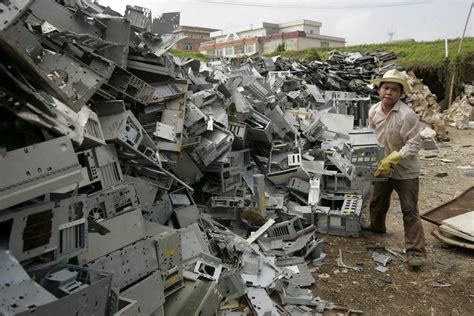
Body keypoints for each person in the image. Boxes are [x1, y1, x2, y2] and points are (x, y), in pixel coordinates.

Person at [368, 69, 426, 269]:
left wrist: (396, 156)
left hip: (405, 170)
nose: (389, 93)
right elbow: (371, 136)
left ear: (400, 93)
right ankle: (377, 229)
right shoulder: (374, 111)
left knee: (409, 210)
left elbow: (415, 144)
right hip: (382, 167)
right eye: (385, 88)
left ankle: (416, 253)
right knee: (377, 202)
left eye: (394, 89)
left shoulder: (407, 115)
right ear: (379, 90)